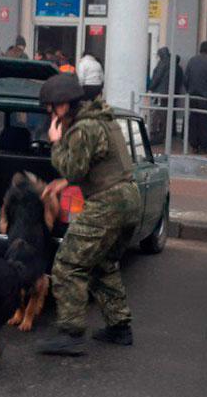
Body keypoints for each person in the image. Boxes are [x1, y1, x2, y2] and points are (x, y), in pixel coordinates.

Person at [36, 74, 141, 356]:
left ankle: (71, 334)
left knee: (68, 264)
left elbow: (72, 169)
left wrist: (56, 143)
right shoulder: (103, 120)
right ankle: (119, 328)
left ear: (67, 104)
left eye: (52, 107)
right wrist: (65, 183)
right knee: (103, 264)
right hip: (128, 199)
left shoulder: (83, 129)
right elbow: (92, 167)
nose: (50, 113)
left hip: (107, 203)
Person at [184, 41, 207, 154]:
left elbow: (186, 79)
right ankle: (204, 146)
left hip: (193, 97)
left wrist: (190, 91)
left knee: (193, 121)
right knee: (205, 123)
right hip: (206, 98)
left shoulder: (192, 61)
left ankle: (194, 145)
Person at [148, 47, 184, 144]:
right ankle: (162, 134)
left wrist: (150, 87)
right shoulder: (173, 65)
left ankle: (155, 135)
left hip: (160, 93)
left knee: (156, 115)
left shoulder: (163, 63)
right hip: (169, 93)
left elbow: (157, 77)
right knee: (165, 115)